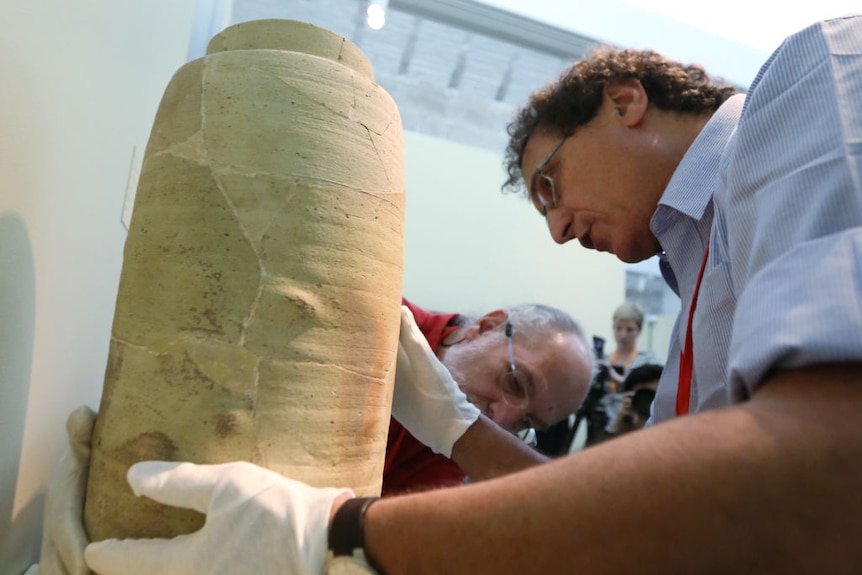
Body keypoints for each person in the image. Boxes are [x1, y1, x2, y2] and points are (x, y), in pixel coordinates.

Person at [61, 15, 862, 574]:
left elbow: (824, 479)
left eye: (550, 183)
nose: (555, 233)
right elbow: (651, 506)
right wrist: (455, 426)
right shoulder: (703, 277)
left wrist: (342, 534)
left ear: (625, 101)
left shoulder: (810, 78)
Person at [385, 297, 593, 494]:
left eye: (526, 421)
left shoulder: (458, 446)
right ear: (487, 327)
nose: (501, 419)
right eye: (515, 383)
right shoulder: (382, 318)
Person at [605, 363, 663, 436]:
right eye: (642, 397)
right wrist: (618, 422)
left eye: (653, 397)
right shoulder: (623, 428)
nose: (650, 404)